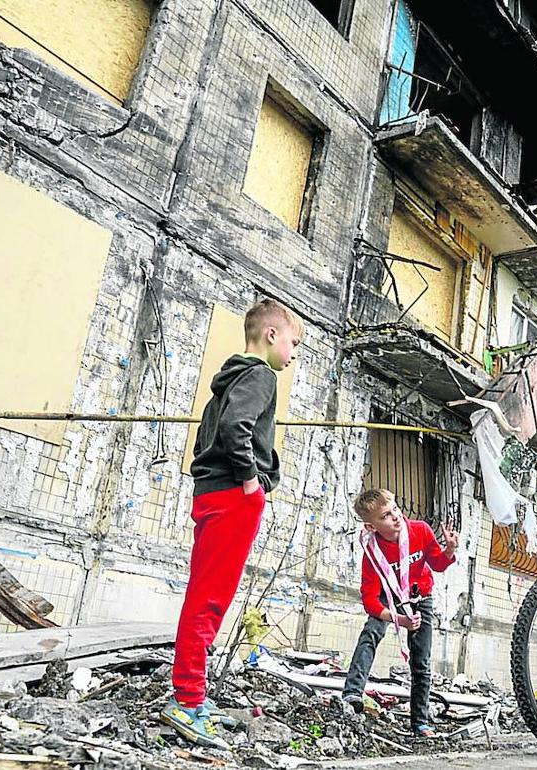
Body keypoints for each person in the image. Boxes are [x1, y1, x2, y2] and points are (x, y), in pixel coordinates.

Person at [159, 299, 304, 750]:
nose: (294, 354)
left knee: (205, 596)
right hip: (233, 498)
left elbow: (215, 432)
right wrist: (249, 482)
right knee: (210, 601)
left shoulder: (227, 380)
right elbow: (236, 429)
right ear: (272, 335)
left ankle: (192, 695)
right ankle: (186, 700)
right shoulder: (260, 376)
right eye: (294, 343)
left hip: (212, 495)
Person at [341, 488, 458, 738]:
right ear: (371, 527)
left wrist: (448, 550)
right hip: (389, 595)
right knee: (371, 632)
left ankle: (420, 721)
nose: (395, 517)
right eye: (385, 516)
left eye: (395, 509)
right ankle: (352, 693)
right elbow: (370, 600)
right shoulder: (372, 550)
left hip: (419, 595)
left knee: (421, 660)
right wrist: (398, 619)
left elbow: (437, 564)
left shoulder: (420, 530)